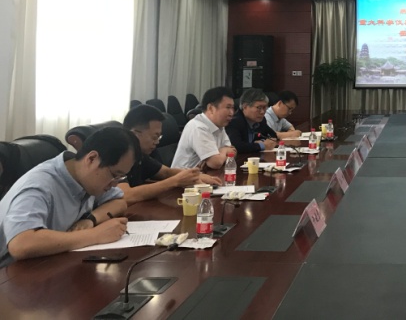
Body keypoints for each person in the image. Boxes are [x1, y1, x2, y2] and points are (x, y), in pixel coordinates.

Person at [0, 127, 138, 268]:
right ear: (91, 159)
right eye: (114, 175)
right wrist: (96, 235)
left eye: (120, 177)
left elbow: (119, 202)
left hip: (49, 263)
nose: (114, 184)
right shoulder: (40, 184)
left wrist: (91, 219)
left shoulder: (84, 177)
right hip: (11, 273)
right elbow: (21, 244)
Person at [119, 105, 221, 203]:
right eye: (154, 137)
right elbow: (126, 195)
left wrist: (195, 176)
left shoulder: (140, 155)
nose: (157, 142)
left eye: (159, 137)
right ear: (135, 134)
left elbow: (166, 172)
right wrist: (175, 181)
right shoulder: (117, 155)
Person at [172, 86, 236, 169]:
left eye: (232, 108)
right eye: (228, 107)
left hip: (203, 173)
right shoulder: (198, 127)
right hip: (184, 176)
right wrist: (224, 151)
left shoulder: (219, 125)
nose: (231, 113)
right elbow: (216, 163)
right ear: (211, 108)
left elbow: (233, 152)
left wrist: (221, 154)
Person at [226, 88, 279, 153]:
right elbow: (237, 146)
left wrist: (262, 141)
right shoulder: (234, 122)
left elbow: (273, 135)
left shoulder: (261, 120)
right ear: (245, 107)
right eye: (259, 108)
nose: (262, 112)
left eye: (264, 107)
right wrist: (261, 145)